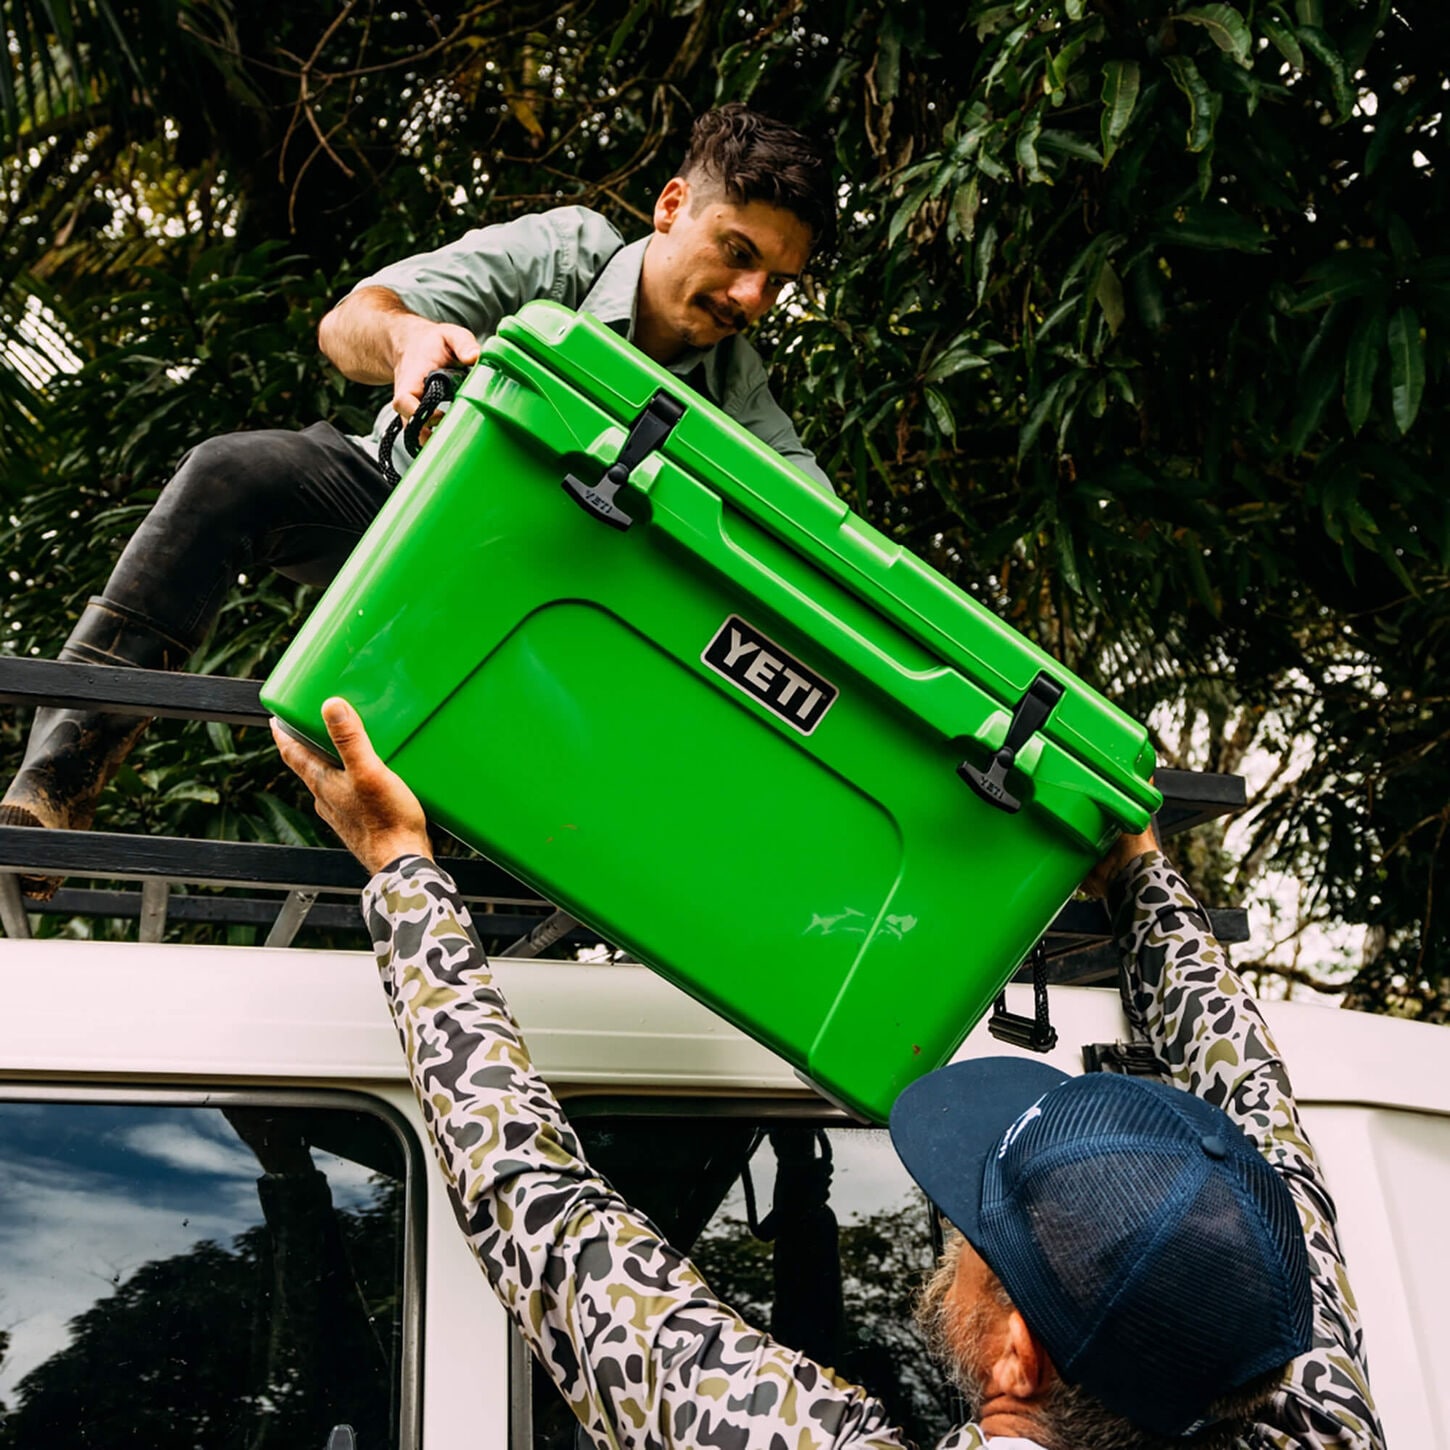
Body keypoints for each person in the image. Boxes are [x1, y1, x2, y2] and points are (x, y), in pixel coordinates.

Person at [274, 695, 1384, 1450]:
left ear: (1019, 1352)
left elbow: (538, 1207)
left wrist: (400, 868)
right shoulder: (1315, 1408)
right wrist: (1138, 872)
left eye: (977, 1227)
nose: (952, 1242)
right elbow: (1254, 1111)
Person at [0, 104, 836, 894]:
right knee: (232, 473)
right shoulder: (561, 252)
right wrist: (406, 337)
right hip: (398, 506)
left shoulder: (739, 385)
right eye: (738, 253)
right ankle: (60, 775)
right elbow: (349, 323)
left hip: (545, 605)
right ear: (672, 205)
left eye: (778, 280)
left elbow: (822, 531)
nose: (752, 298)